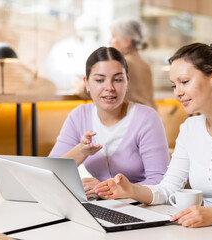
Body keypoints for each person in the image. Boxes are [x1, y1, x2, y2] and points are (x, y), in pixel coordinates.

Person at [94, 42, 212, 228]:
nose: (178, 93)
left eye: (184, 82)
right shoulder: (189, 128)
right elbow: (168, 189)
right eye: (173, 86)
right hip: (211, 231)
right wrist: (132, 190)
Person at [49, 47, 169, 198]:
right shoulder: (79, 116)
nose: (109, 88)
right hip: (102, 205)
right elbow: (49, 173)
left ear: (127, 82)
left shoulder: (147, 118)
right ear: (86, 83)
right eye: (99, 80)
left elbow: (161, 181)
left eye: (118, 79)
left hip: (142, 207)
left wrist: (105, 188)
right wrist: (81, 151)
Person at [110, 19, 157, 109]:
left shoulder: (122, 64)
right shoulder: (144, 64)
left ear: (127, 41)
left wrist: (80, 84)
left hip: (135, 119)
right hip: (151, 117)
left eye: (113, 36)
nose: (110, 41)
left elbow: (91, 90)